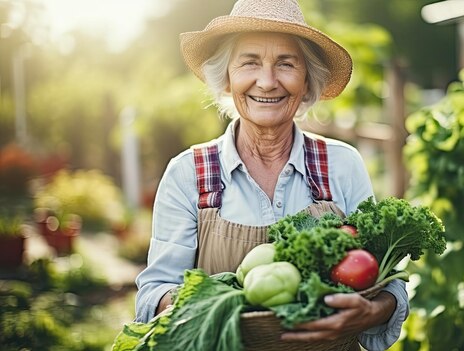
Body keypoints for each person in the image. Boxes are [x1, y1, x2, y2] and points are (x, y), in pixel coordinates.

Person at [134, 0, 408, 349]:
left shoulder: (341, 164)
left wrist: (371, 312)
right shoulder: (188, 173)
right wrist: (217, 307)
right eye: (249, 62)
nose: (267, 82)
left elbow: (389, 281)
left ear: (307, 80)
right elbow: (153, 292)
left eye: (286, 64)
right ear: (227, 77)